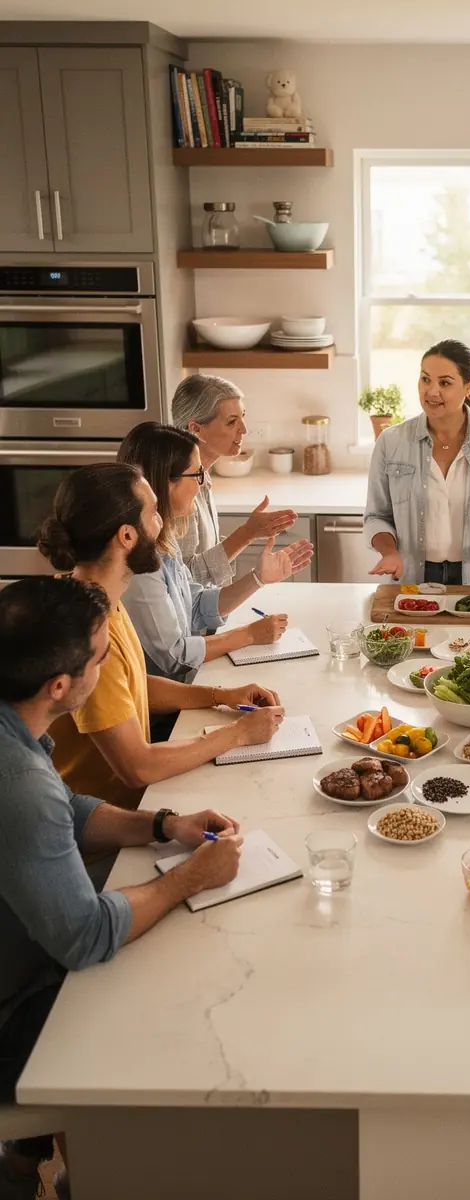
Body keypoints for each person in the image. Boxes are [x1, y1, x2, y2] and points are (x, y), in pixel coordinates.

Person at [0, 577, 244, 1197]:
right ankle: (99, 1175)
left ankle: (39, 1160)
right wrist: (191, 876)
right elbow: (85, 935)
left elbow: (68, 809)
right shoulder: (19, 783)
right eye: (100, 657)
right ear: (61, 686)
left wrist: (164, 825)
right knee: (172, 1012)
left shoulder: (14, 728)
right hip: (12, 1008)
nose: (108, 662)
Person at [38, 463, 285, 808]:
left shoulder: (95, 596)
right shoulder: (86, 629)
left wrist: (221, 695)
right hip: (111, 823)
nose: (162, 523)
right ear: (127, 536)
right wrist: (239, 733)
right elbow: (138, 767)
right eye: (154, 513)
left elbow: (132, 685)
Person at [117, 422, 314, 683]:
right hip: (166, 702)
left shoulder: (164, 540)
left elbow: (196, 607)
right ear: (167, 483)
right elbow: (175, 656)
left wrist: (258, 578)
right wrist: (249, 635)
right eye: (197, 475)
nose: (201, 485)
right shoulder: (140, 564)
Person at [363, 340, 470, 586]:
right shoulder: (391, 441)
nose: (431, 391)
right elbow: (377, 516)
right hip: (411, 579)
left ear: (468, 386)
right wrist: (389, 553)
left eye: (445, 383)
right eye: (425, 379)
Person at [171, 374, 298, 587]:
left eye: (242, 417)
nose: (244, 429)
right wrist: (247, 533)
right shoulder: (178, 487)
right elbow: (186, 579)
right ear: (196, 429)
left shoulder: (202, 476)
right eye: (232, 422)